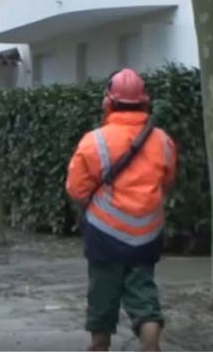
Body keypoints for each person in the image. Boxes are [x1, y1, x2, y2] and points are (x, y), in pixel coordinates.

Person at [65, 68, 178, 352]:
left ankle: (100, 345)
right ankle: (149, 337)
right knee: (143, 293)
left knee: (102, 294)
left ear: (108, 102)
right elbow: (167, 181)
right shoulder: (163, 140)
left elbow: (76, 188)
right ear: (144, 102)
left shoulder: (95, 141)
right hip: (148, 232)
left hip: (105, 233)